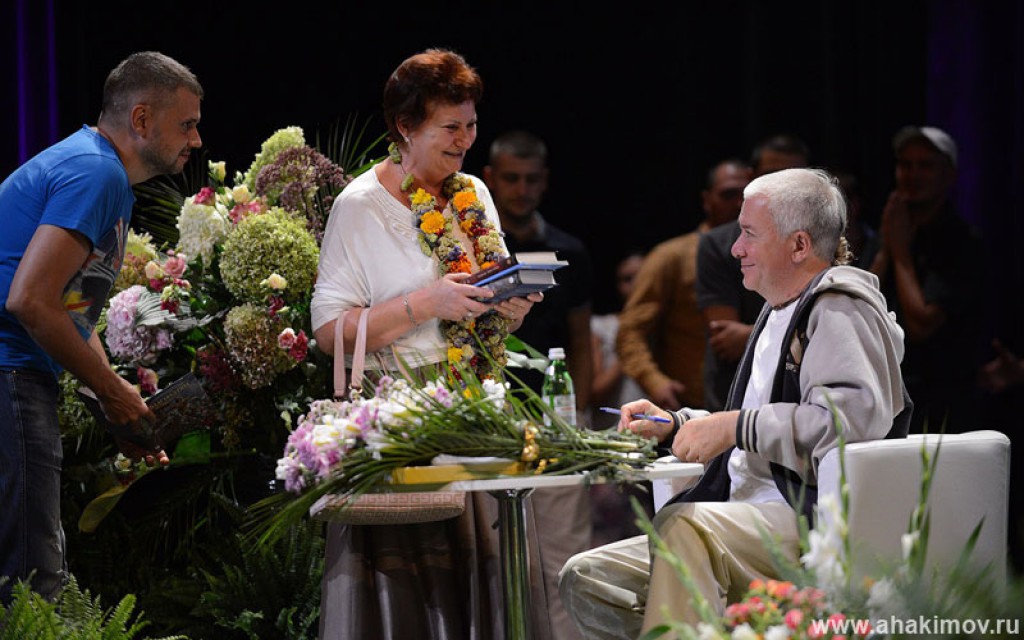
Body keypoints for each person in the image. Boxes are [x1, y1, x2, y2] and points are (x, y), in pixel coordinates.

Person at [559, 168, 911, 638]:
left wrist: (733, 426)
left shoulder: (837, 307)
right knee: (588, 577)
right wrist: (677, 423)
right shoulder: (776, 309)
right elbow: (753, 424)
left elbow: (851, 421)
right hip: (742, 510)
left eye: (748, 234)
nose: (735, 249)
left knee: (685, 526)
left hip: (805, 516)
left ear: (799, 245)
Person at [311, 49, 547, 639]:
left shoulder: (473, 195)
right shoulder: (359, 206)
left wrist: (506, 309)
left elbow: (476, 311)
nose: (465, 140)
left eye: (471, 124)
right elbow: (326, 333)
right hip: (403, 425)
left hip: (477, 409)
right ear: (405, 127)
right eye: (450, 127)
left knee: (488, 590)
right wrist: (426, 304)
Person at [0, 51, 201, 604]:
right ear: (141, 120)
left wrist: (116, 400)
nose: (197, 139)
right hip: (9, 372)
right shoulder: (98, 172)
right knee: (31, 582)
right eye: (187, 124)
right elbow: (31, 302)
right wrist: (114, 393)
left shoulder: (100, 171)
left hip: (17, 374)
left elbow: (68, 308)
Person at [482, 129, 594, 640]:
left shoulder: (568, 249)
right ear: (490, 179)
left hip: (555, 416)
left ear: (545, 182)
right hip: (484, 418)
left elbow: (581, 341)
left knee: (566, 554)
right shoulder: (470, 249)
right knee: (493, 554)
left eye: (531, 179)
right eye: (511, 178)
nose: (522, 189)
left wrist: (579, 421)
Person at [616, 159, 751, 411]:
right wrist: (655, 381)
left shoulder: (768, 253)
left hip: (756, 401)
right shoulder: (672, 256)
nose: (738, 204)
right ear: (706, 200)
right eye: (728, 194)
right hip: (691, 405)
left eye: (746, 195)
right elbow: (631, 330)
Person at [696, 134, 809, 411]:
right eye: (772, 175)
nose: (740, 249)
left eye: (791, 178)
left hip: (794, 401)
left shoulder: (813, 238)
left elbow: (821, 328)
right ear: (751, 176)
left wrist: (749, 333)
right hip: (734, 396)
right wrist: (800, 333)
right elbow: (725, 339)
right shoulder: (717, 244)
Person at [588, 249, 651, 548]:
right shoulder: (601, 327)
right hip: (611, 439)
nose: (635, 285)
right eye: (627, 279)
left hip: (654, 444)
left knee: (653, 529)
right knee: (610, 534)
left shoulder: (661, 326)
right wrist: (630, 352)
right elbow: (594, 390)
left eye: (642, 277)